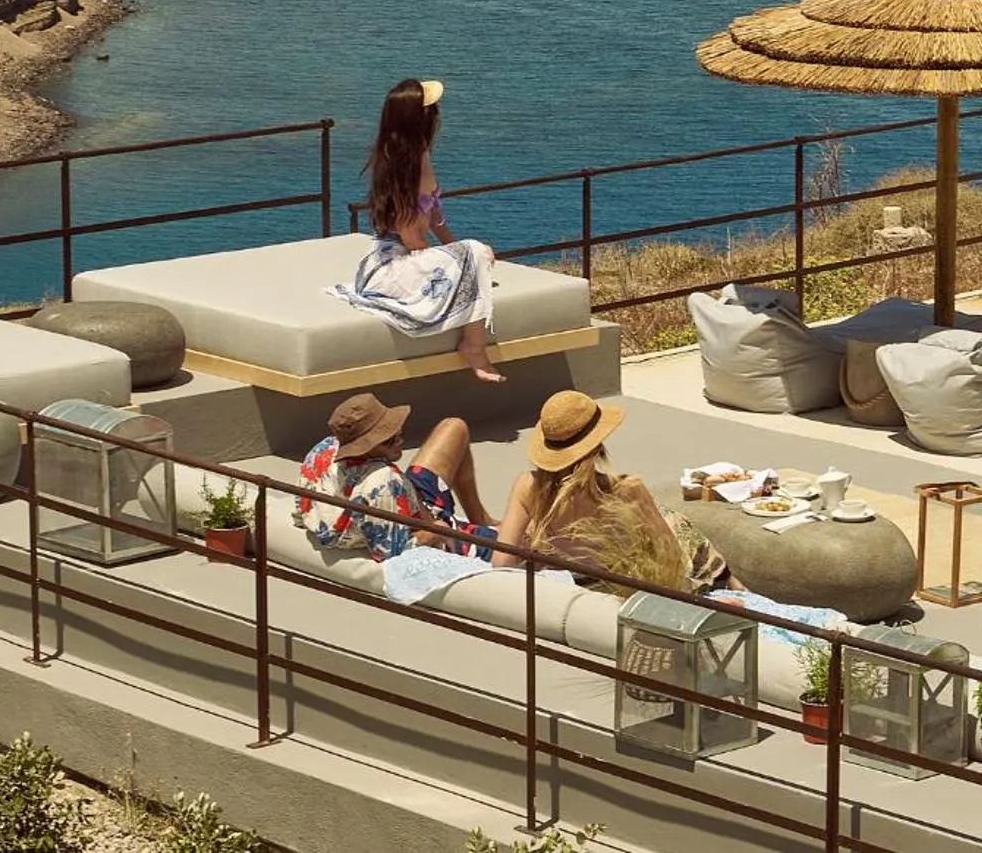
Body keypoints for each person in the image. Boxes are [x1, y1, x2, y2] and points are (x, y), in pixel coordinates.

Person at [333, 78, 503, 382]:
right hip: (396, 264)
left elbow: (433, 214)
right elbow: (411, 237)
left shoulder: (412, 156)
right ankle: (473, 347)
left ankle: (473, 342)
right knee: (477, 251)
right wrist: (462, 258)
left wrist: (456, 250)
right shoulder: (406, 167)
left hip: (397, 254)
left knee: (473, 253)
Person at [491, 391, 728, 595]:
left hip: (576, 586)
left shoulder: (527, 487)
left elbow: (501, 563)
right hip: (622, 588)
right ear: (596, 446)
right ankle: (737, 589)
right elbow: (671, 560)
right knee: (680, 526)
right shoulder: (626, 489)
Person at [294, 391, 495, 563]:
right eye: (389, 439)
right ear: (367, 447)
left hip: (410, 503)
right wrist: (435, 532)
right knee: (519, 539)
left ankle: (481, 520)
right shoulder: (382, 483)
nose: (400, 440)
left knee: (454, 427)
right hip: (433, 532)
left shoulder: (325, 449)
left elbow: (302, 507)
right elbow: (394, 556)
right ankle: (484, 530)